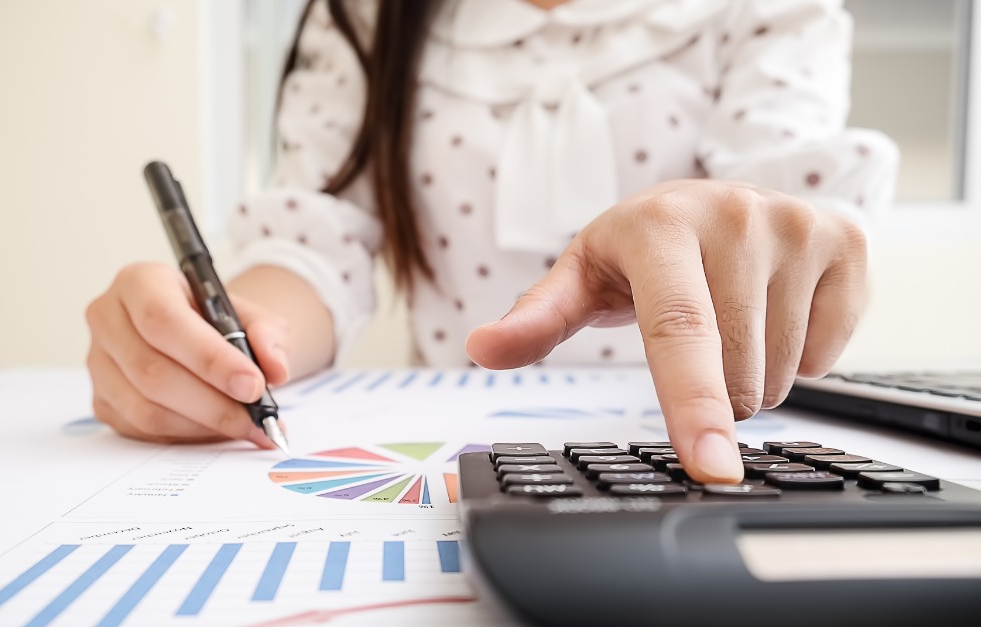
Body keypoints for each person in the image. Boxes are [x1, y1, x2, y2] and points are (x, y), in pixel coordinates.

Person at [85, 0, 898, 483]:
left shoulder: (762, 11)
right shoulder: (368, 15)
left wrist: (755, 230)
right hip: (451, 459)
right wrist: (219, 340)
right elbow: (315, 245)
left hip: (685, 442)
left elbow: (782, 216)